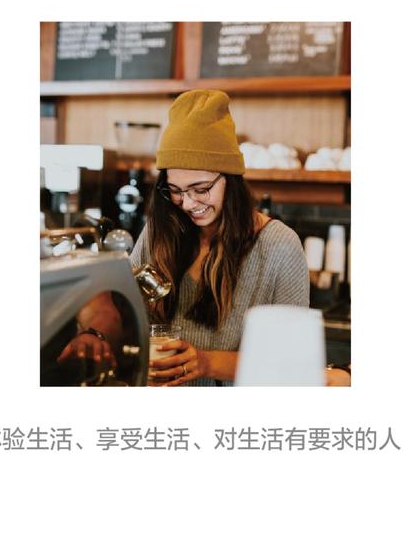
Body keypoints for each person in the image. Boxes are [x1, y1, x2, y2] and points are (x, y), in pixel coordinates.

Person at [130, 89, 311, 386]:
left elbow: (291, 361)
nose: (188, 203)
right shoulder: (159, 232)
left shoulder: (279, 246)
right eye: (175, 191)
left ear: (231, 179)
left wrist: (206, 363)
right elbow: (127, 314)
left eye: (201, 189)